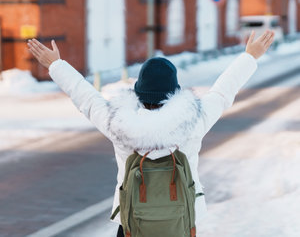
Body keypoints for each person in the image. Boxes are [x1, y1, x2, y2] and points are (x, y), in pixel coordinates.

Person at [27, 29, 274, 237]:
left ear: (138, 91)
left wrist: (56, 65)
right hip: (181, 221)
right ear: (175, 91)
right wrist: (249, 57)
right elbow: (222, 92)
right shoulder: (193, 119)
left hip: (132, 222)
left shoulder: (119, 124)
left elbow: (86, 97)